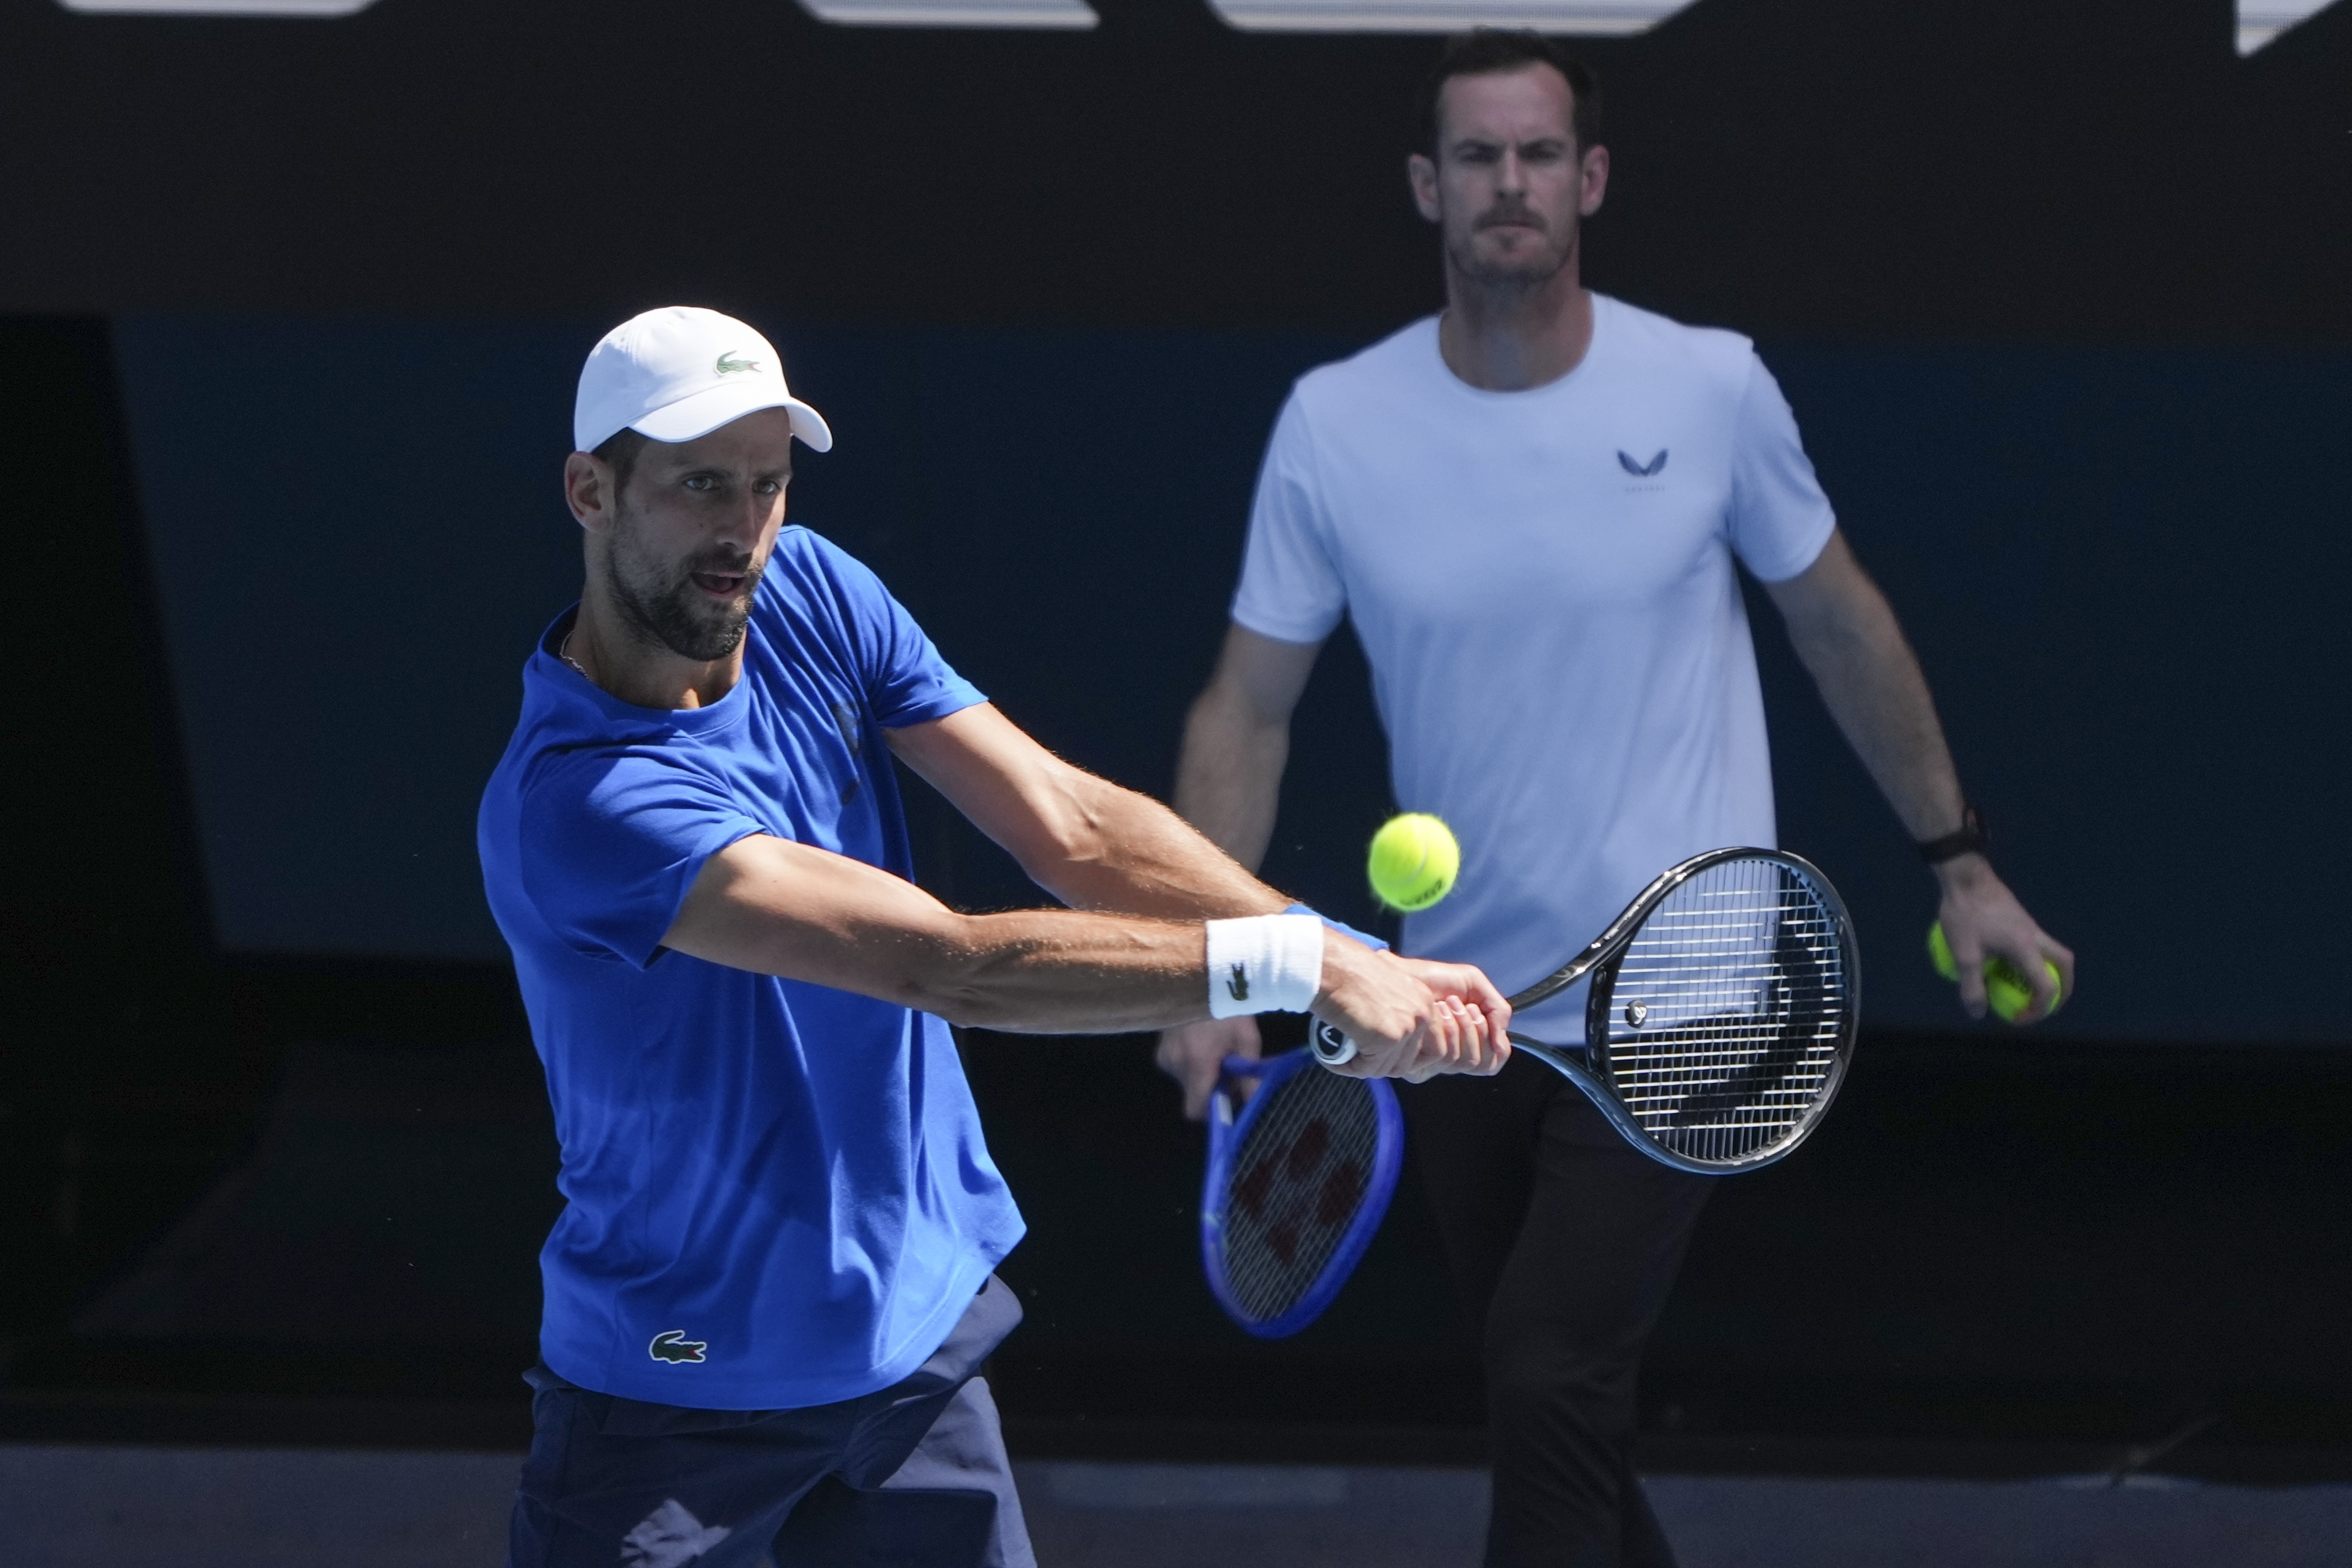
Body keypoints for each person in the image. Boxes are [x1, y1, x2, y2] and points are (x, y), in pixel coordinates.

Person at [1155, 31, 2075, 1568]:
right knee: (1547, 1406)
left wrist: (1957, 863)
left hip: (1687, 994)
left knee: (1544, 1367)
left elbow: (1837, 621)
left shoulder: (1707, 389)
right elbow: (1244, 708)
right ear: (1423, 186)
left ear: (1584, 179)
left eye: (1533, 155)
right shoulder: (1335, 424)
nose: (1504, 185)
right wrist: (1209, 965)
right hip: (1446, 1006)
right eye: (1472, 157)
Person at [477, 305, 1512, 1568]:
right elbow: (946, 964)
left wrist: (1333, 942)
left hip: (916, 1360)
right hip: (675, 1397)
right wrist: (1303, 965)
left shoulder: (810, 589)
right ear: (591, 489)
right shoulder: (581, 801)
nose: (742, 529)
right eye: (700, 486)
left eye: (766, 483)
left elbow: (1069, 824)